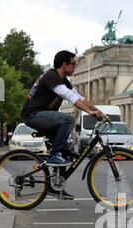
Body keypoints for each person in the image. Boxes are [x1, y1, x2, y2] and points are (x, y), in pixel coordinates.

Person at [21, 50, 107, 199]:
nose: (75, 67)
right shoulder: (51, 76)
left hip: (43, 115)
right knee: (68, 119)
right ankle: (55, 155)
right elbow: (69, 97)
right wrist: (90, 112)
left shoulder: (63, 80)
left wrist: (100, 112)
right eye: (73, 64)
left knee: (65, 150)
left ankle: (55, 186)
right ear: (64, 65)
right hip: (34, 115)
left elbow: (80, 98)